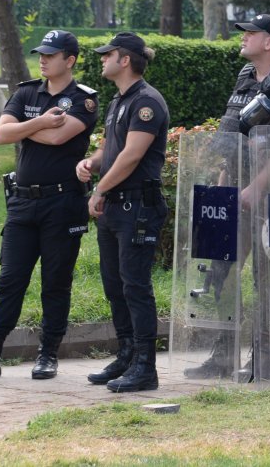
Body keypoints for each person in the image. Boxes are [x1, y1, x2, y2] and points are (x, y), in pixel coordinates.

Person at [0, 31, 98, 382]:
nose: (43, 59)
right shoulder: (27, 91)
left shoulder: (83, 100)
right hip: (22, 202)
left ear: (70, 60)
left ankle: (47, 355)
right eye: (40, 54)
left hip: (62, 203)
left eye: (50, 55)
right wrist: (40, 122)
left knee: (55, 282)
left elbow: (58, 137)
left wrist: (24, 128)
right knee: (10, 280)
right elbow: (2, 135)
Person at [187, 13, 270, 381]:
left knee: (267, 278)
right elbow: (234, 135)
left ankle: (263, 359)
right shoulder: (245, 77)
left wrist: (257, 184)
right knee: (221, 271)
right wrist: (226, 179)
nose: (242, 38)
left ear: (269, 41)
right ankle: (222, 355)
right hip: (235, 190)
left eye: (250, 34)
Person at [76, 32, 170, 393]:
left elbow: (132, 155)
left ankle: (146, 366)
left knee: (135, 287)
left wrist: (99, 188)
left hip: (137, 207)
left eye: (108, 54)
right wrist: (91, 163)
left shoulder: (147, 102)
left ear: (125, 59)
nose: (102, 59)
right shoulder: (121, 100)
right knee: (115, 286)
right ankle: (127, 354)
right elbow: (111, 148)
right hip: (118, 206)